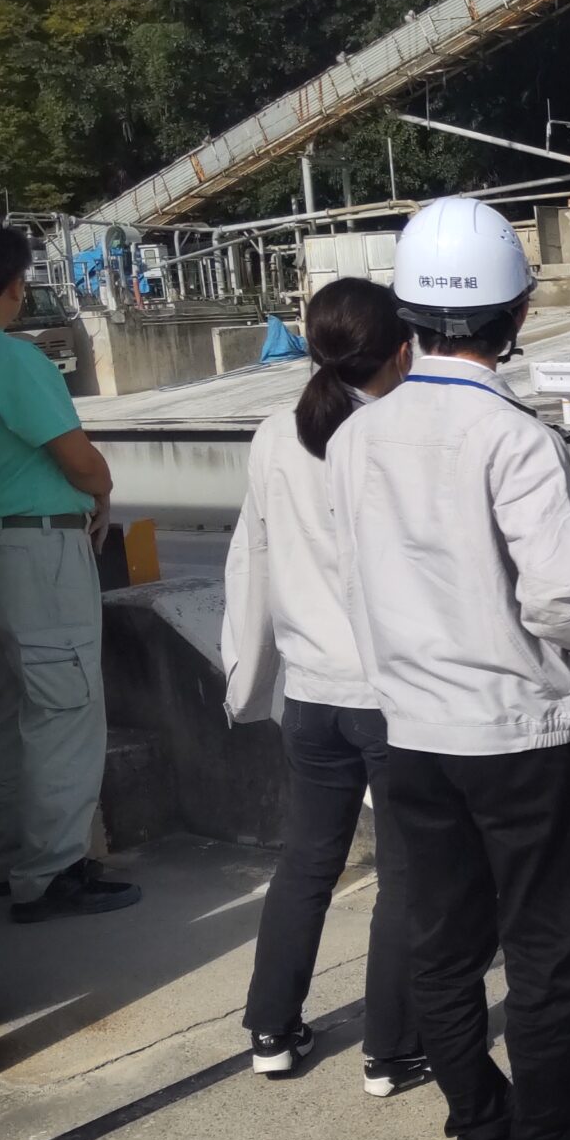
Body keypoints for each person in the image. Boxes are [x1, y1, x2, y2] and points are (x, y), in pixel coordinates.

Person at [327, 197, 570, 1140]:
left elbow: (356, 585)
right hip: (515, 736)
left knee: (443, 947)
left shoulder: (357, 438)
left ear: (410, 316)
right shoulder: (516, 438)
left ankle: (482, 1137)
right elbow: (559, 597)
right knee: (546, 954)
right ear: (515, 315)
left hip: (411, 734)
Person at [222, 278, 425, 1096]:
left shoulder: (275, 435)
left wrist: (248, 678)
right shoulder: (399, 434)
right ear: (401, 349)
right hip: (392, 697)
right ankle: (392, 1049)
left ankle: (271, 1030)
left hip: (310, 695)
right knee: (406, 874)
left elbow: (252, 560)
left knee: (307, 862)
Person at [0, 215, 141, 923]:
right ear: (15, 285)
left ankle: (5, 859)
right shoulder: (10, 360)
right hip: (38, 554)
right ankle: (50, 873)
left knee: (12, 710)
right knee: (64, 711)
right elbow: (79, 459)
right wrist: (101, 489)